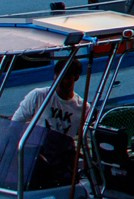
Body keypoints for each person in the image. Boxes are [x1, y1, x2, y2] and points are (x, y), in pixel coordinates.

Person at [11, 60, 87, 188]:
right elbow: (14, 125)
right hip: (37, 156)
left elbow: (83, 139)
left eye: (67, 78)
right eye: (58, 76)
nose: (61, 81)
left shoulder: (83, 107)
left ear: (76, 78)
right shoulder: (38, 96)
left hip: (62, 160)